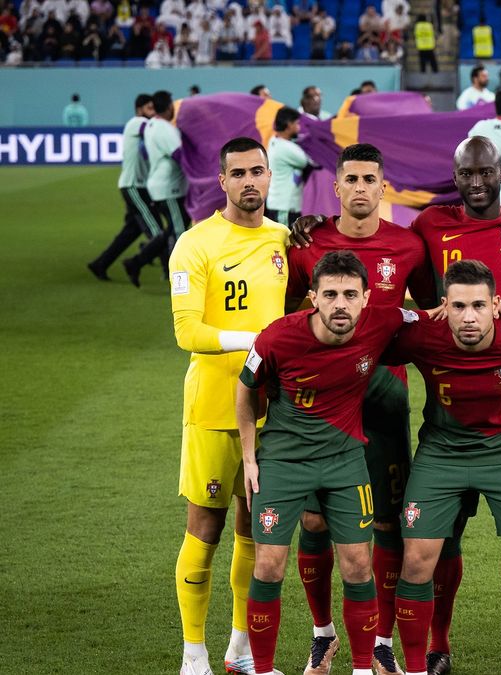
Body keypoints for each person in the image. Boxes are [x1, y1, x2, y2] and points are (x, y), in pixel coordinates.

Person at [407, 137, 501, 675]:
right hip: (449, 387)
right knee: (440, 539)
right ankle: (437, 645)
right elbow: (416, 285)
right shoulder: (429, 225)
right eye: (466, 174)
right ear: (456, 174)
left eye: (485, 173)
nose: (476, 183)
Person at [283, 143, 437, 675]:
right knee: (315, 519)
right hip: (320, 410)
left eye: (370, 179)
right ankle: (323, 635)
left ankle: (382, 643)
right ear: (338, 186)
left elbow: (429, 315)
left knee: (389, 524)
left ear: (382, 186)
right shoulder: (307, 243)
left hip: (385, 404)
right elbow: (288, 321)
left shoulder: (409, 246)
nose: (361, 188)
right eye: (351, 179)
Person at [237, 250, 418, 675]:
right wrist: (250, 456)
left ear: (367, 298)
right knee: (267, 565)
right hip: (283, 461)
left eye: (350, 294)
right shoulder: (277, 338)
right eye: (331, 294)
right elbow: (245, 390)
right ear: (313, 297)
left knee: (357, 565)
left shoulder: (383, 321)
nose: (341, 304)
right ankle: (263, 669)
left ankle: (359, 668)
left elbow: (430, 316)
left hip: (344, 461)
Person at [388, 260, 501, 675]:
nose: (469, 317)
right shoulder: (423, 337)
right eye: (459, 306)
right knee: (416, 561)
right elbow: (363, 337)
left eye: (479, 306)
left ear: (496, 305)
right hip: (441, 454)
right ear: (443, 307)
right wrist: (409, 314)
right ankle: (417, 666)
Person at [169, 136, 289, 675]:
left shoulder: (286, 239)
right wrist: (258, 340)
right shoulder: (194, 245)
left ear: (270, 176)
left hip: (273, 412)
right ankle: (193, 653)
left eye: (257, 171)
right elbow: (186, 330)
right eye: (237, 172)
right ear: (221, 180)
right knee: (205, 529)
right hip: (215, 409)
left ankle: (239, 647)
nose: (249, 181)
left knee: (253, 529)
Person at [88, 94, 162, 281]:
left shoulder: (146, 126)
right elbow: (154, 128)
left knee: (131, 232)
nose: (153, 113)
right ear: (139, 110)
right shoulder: (136, 123)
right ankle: (169, 271)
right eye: (150, 108)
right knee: (157, 231)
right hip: (134, 186)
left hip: (139, 186)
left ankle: (100, 264)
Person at [123, 90, 189, 287]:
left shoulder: (153, 125)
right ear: (169, 107)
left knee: (172, 230)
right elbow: (178, 155)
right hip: (169, 188)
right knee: (178, 231)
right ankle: (180, 280)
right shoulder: (164, 128)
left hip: (162, 186)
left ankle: (136, 262)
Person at [265, 106, 315, 227]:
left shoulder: (275, 140)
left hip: (280, 206)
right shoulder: (285, 148)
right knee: (285, 243)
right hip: (284, 208)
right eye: (297, 123)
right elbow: (309, 161)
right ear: (288, 125)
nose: (299, 127)